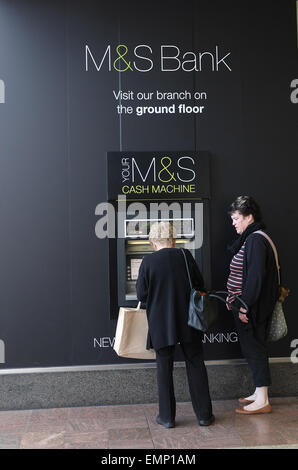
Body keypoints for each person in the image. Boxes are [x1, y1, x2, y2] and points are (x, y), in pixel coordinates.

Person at [136, 221, 214, 428]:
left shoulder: (147, 262)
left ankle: (167, 417)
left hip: (162, 323)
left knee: (164, 368)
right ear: (173, 239)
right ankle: (204, 415)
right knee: (195, 363)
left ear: (153, 242)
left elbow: (141, 294)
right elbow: (200, 285)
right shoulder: (185, 256)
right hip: (189, 321)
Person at [226, 196, 279, 414]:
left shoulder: (256, 240)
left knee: (255, 349)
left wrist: (246, 306)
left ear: (249, 217)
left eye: (237, 218)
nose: (233, 223)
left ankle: (263, 400)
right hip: (249, 305)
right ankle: (259, 392)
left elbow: (256, 277)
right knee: (252, 348)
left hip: (253, 307)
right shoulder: (252, 239)